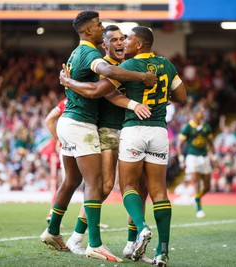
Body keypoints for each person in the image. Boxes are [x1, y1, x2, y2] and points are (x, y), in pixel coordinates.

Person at [59, 25, 187, 267]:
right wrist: (138, 102)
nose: (122, 43)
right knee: (109, 186)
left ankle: (133, 241)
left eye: (125, 39)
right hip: (126, 130)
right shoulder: (114, 66)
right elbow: (100, 91)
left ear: (138, 44)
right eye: (116, 39)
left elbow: (104, 91)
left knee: (138, 189)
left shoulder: (124, 67)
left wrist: (67, 80)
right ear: (105, 44)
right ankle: (80, 236)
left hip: (132, 131)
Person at [40, 10, 156, 263]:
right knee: (96, 185)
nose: (116, 41)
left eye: (120, 38)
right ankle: (93, 243)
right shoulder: (95, 57)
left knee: (74, 180)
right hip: (87, 125)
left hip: (79, 124)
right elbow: (103, 84)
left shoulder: (81, 54)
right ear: (94, 34)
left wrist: (69, 83)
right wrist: (141, 81)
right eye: (104, 30)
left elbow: (96, 87)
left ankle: (55, 231)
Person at [177, 105, 217, 218]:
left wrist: (214, 158)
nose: (203, 114)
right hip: (192, 157)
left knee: (207, 186)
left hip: (204, 157)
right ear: (194, 114)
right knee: (196, 180)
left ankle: (196, 198)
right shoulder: (188, 127)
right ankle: (198, 208)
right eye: (201, 111)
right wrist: (181, 160)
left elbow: (211, 143)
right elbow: (179, 145)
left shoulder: (206, 127)